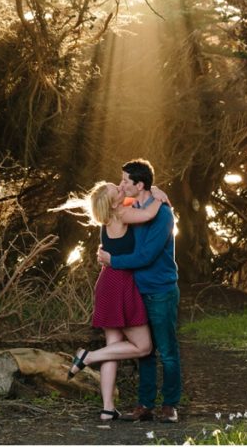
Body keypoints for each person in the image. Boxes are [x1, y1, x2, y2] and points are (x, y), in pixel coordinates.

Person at [65, 180, 167, 422]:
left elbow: (133, 199)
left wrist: (143, 193)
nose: (122, 189)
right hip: (121, 284)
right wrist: (159, 195)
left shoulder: (107, 217)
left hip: (107, 283)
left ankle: (107, 409)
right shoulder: (122, 213)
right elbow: (149, 212)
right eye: (117, 191)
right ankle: (88, 357)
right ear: (112, 203)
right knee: (144, 346)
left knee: (112, 348)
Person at [97, 157, 181, 423]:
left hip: (160, 290)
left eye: (125, 181)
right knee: (143, 351)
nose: (121, 185)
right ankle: (145, 405)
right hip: (135, 289)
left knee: (167, 351)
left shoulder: (163, 215)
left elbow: (146, 255)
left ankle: (169, 405)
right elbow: (114, 212)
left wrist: (113, 261)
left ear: (139, 184)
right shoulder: (131, 207)